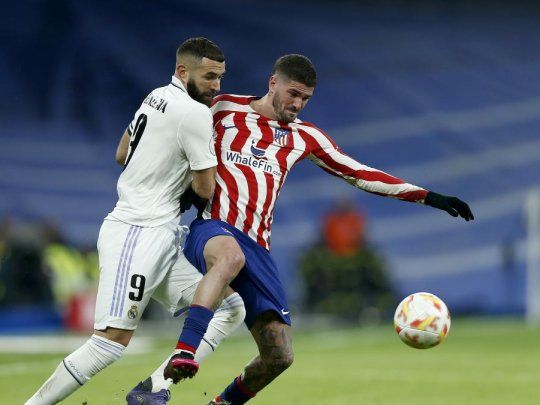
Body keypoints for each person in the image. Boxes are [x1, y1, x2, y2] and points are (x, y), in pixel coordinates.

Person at [147, 54, 474, 404]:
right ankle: (184, 350)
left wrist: (428, 197)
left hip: (257, 248)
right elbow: (179, 131)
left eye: (305, 99)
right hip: (213, 227)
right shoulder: (224, 108)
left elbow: (360, 173)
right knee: (229, 256)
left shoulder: (306, 136)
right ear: (273, 83)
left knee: (280, 357)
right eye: (293, 94)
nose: (297, 104)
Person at [25, 37, 245, 405]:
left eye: (220, 77)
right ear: (183, 71)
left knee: (229, 306)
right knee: (110, 342)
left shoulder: (155, 96)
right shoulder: (194, 114)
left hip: (160, 234)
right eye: (209, 77)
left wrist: (157, 171)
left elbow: (121, 152)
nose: (216, 87)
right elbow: (205, 188)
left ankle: (153, 391)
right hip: (137, 232)